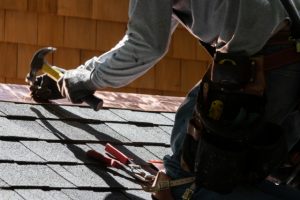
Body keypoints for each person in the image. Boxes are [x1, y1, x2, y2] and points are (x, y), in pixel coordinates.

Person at [30, 0, 300, 199]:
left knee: (187, 180)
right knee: (271, 170)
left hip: (265, 68)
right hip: (282, 63)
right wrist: (84, 75)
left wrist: (84, 80)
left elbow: (145, 45)